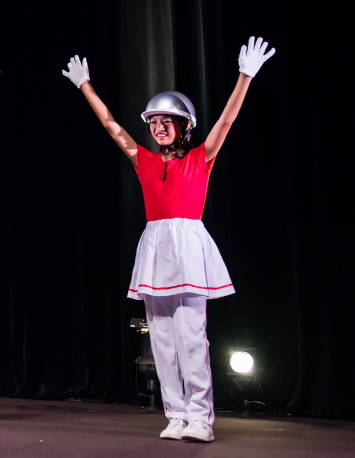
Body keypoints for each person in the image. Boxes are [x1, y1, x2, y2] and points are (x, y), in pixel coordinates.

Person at [61, 37, 276, 442]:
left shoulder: (200, 158)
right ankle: (175, 414)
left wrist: (245, 76)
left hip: (188, 245)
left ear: (184, 126)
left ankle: (200, 418)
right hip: (156, 247)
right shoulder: (144, 160)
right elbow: (111, 126)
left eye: (167, 121)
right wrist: (85, 85)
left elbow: (226, 122)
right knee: (160, 338)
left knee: (191, 337)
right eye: (153, 122)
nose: (158, 128)